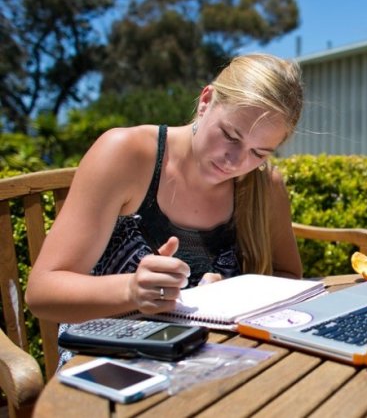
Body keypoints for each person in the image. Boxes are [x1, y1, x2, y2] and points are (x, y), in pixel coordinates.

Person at [25, 53, 305, 333]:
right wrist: (131, 291)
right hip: (107, 358)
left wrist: (231, 294)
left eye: (259, 152)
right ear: (206, 101)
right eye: (230, 136)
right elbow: (42, 293)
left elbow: (288, 277)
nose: (235, 161)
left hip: (215, 357)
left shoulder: (263, 186)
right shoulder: (126, 154)